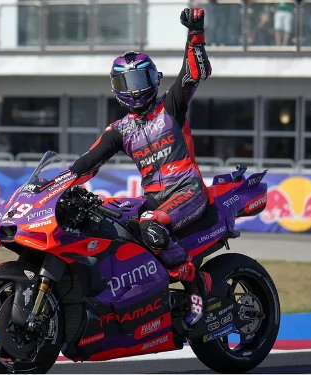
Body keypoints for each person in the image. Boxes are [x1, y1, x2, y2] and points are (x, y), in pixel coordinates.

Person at [66, 8, 213, 326]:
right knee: (106, 215)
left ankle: (192, 282)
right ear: (116, 87)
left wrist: (195, 33)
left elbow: (193, 75)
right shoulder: (120, 129)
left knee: (150, 224)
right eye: (127, 80)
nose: (135, 88)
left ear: (154, 79)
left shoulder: (171, 106)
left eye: (141, 78)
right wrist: (53, 186)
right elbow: (87, 162)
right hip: (155, 198)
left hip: (188, 191)